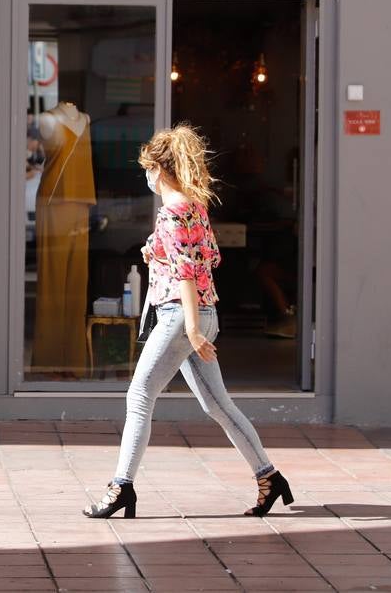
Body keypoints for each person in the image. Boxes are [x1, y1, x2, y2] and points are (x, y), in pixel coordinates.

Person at [83, 124, 292, 520]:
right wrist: (156, 252)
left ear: (158, 171)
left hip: (182, 318)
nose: (147, 177)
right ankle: (270, 477)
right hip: (202, 314)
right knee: (218, 406)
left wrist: (192, 330)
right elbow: (209, 259)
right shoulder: (194, 207)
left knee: (140, 395)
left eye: (148, 169)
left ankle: (120, 488)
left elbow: (186, 274)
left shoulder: (172, 212)